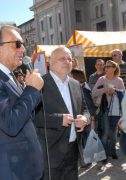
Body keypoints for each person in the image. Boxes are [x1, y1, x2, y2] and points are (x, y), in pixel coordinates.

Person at [0, 25, 44, 180]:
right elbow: (11, 124)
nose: (23, 49)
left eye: (23, 44)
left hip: (25, 167)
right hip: (11, 171)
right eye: (17, 44)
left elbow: (25, 115)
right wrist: (32, 90)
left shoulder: (8, 76)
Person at [35, 46, 90, 180]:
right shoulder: (39, 84)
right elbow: (32, 116)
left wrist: (85, 118)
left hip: (72, 149)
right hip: (50, 151)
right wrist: (58, 120)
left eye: (69, 59)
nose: (67, 62)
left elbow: (85, 109)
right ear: (51, 62)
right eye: (62, 59)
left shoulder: (76, 84)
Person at [92, 60, 125, 161]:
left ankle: (112, 151)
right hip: (105, 109)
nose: (106, 68)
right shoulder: (102, 79)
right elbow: (93, 93)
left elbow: (124, 95)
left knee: (113, 133)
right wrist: (105, 90)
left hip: (115, 110)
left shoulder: (119, 80)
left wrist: (116, 91)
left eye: (108, 67)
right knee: (106, 132)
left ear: (114, 68)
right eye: (105, 67)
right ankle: (104, 154)